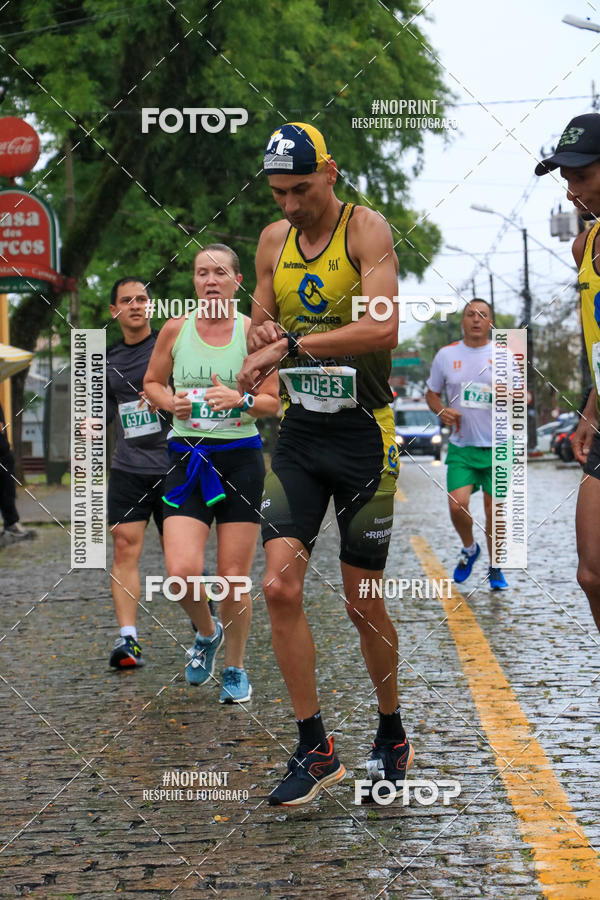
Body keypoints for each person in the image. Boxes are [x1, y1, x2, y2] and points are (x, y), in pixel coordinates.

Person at [237, 122, 412, 806]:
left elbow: (382, 326)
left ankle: (391, 728)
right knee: (279, 588)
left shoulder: (367, 231)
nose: (289, 205)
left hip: (366, 436)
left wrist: (293, 346)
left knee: (361, 601)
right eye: (279, 192)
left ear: (330, 172)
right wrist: (261, 333)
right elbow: (261, 317)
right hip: (302, 437)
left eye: (301, 189)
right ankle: (316, 747)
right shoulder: (274, 241)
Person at [144, 244, 280, 703]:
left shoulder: (252, 333)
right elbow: (152, 383)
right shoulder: (175, 330)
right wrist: (170, 402)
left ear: (237, 281)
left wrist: (238, 400)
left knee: (232, 577)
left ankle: (236, 668)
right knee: (181, 573)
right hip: (186, 457)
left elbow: (273, 401)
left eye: (220, 272)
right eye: (202, 273)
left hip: (239, 458)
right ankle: (207, 632)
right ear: (195, 282)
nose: (210, 280)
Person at [535, 112, 600, 632]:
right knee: (592, 573)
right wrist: (589, 411)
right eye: (567, 178)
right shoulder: (584, 246)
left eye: (581, 176)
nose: (572, 191)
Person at [106, 277, 171, 668]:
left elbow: (196, 393)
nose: (135, 305)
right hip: (128, 467)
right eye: (126, 300)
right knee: (124, 547)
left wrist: (164, 396)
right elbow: (98, 414)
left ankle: (205, 622)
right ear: (115, 311)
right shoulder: (107, 360)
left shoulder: (170, 345)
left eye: (142, 299)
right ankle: (128, 639)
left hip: (175, 464)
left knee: (179, 556)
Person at [425, 299, 509, 591]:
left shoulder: (504, 355)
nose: (476, 319)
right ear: (462, 321)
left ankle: (495, 566)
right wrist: (440, 410)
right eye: (470, 314)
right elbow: (432, 394)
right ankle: (470, 548)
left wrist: (507, 393)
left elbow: (525, 398)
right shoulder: (446, 356)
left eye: (483, 315)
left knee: (493, 511)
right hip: (462, 446)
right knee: (457, 505)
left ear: (490, 323)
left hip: (499, 447)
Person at [0, 401, 35, 542]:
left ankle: (12, 524)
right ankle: (12, 524)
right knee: (6, 492)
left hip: (3, 453)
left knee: (7, 492)